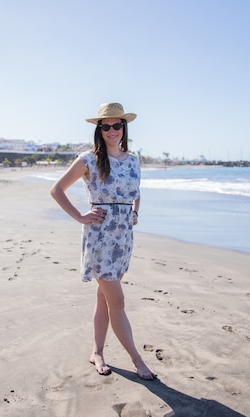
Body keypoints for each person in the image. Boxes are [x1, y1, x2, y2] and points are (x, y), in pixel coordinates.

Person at [50, 102, 156, 380]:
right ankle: (137, 361)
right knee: (117, 302)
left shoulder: (133, 161)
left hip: (123, 239)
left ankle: (96, 352)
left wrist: (135, 211)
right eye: (106, 126)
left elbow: (136, 192)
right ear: (100, 129)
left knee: (104, 298)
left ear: (124, 127)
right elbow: (57, 189)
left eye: (117, 125)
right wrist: (80, 216)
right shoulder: (88, 160)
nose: (112, 130)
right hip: (100, 239)